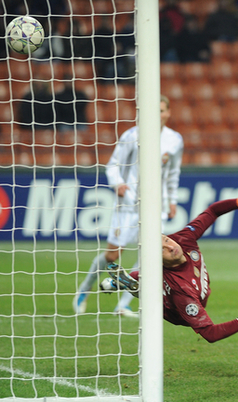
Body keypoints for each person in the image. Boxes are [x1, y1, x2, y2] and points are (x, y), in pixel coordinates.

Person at [102, 192, 238, 342]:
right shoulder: (181, 292)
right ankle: (138, 289)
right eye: (162, 249)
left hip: (185, 287)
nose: (170, 247)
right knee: (158, 292)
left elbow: (212, 211)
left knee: (148, 276)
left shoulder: (183, 239)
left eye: (166, 240)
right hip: (176, 311)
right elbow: (210, 333)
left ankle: (120, 282)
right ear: (158, 260)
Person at [73, 95, 183, 317]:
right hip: (129, 203)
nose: (158, 115)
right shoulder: (132, 135)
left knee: (151, 257)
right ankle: (84, 288)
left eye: (162, 110)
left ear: (168, 113)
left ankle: (124, 304)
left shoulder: (174, 140)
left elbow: (173, 171)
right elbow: (113, 164)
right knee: (112, 256)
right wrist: (118, 183)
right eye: (154, 110)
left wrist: (172, 199)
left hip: (157, 205)